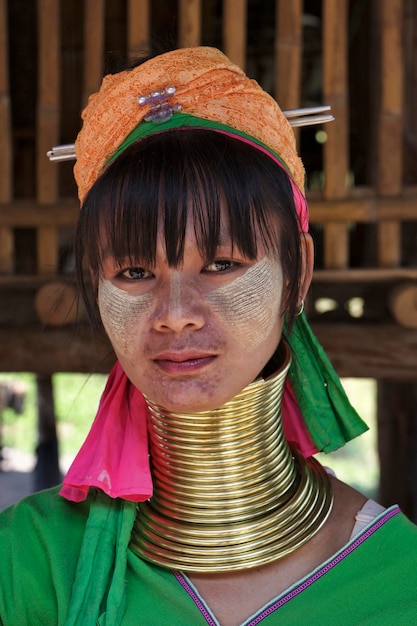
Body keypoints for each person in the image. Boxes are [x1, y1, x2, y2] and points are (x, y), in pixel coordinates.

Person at [1, 46, 416, 626]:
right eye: (135, 272)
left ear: (299, 271)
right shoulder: (28, 560)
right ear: (95, 285)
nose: (175, 314)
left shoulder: (401, 580)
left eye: (221, 264)